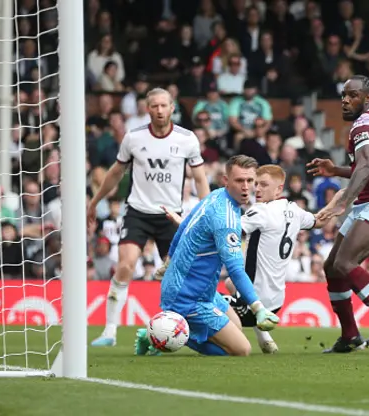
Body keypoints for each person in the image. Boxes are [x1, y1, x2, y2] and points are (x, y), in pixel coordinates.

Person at [162, 164, 345, 354]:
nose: (257, 189)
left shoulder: (260, 212)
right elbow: (319, 220)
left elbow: (222, 229)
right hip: (277, 302)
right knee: (231, 283)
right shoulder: (294, 210)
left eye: (263, 185)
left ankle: (170, 333)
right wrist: (337, 203)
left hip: (253, 304)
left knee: (205, 307)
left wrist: (183, 223)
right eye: (256, 184)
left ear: (278, 189)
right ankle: (264, 336)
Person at [87, 88, 211, 347]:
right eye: (154, 105)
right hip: (138, 212)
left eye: (163, 105)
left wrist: (207, 209)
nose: (159, 110)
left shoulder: (187, 139)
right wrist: (95, 201)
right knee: (126, 265)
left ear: (172, 107)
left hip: (171, 216)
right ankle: (109, 331)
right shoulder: (133, 138)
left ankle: (169, 332)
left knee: (175, 278)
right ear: (147, 108)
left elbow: (199, 178)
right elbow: (115, 172)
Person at [134, 155, 280, 356]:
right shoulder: (225, 218)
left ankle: (164, 331)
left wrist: (168, 260)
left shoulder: (216, 196)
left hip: (202, 291)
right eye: (239, 181)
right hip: (187, 297)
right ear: (226, 181)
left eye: (250, 181)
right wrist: (258, 308)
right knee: (241, 350)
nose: (246, 187)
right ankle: (160, 336)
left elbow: (184, 226)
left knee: (236, 326)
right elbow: (236, 269)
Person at [307, 75, 369, 355]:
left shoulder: (364, 124)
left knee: (344, 262)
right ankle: (350, 335)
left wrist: (344, 202)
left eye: (352, 95)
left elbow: (364, 168)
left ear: (367, 98)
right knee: (332, 267)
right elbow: (367, 166)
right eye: (343, 94)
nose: (345, 100)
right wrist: (335, 170)